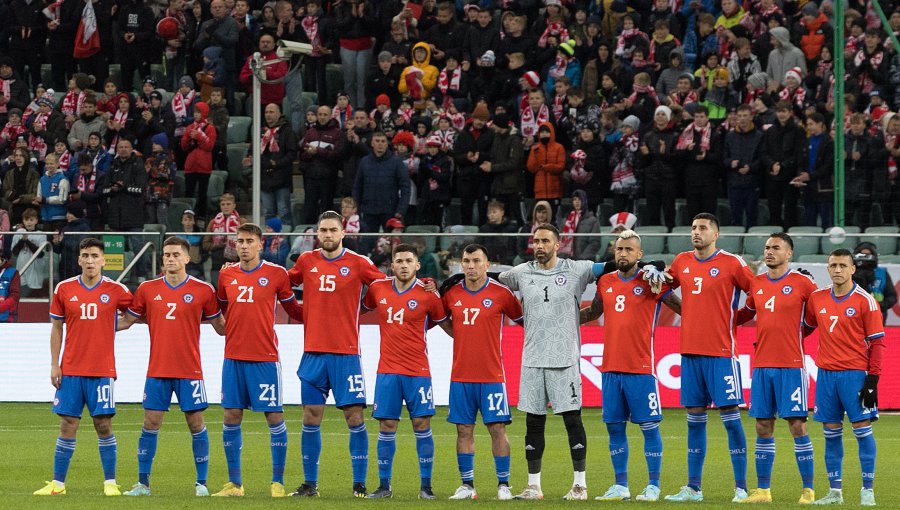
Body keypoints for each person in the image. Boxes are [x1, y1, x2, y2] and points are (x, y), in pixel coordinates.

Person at [484, 224, 640, 500]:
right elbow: (490, 276)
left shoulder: (576, 269)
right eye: (536, 241)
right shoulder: (521, 273)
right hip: (532, 360)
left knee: (572, 421)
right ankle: (534, 486)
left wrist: (650, 263)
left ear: (558, 244)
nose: (540, 245)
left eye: (545, 241)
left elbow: (614, 264)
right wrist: (453, 280)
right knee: (533, 423)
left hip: (564, 359)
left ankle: (579, 485)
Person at [117, 237, 226, 497]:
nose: (170, 259)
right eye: (166, 255)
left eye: (176, 255)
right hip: (157, 369)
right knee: (150, 422)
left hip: (190, 370)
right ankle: (143, 484)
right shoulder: (147, 289)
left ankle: (202, 483)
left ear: (187, 258)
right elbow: (126, 322)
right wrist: (93, 324)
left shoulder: (203, 290)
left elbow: (221, 328)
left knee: (196, 423)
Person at [287, 210, 385, 498]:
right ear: (317, 234)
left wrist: (363, 307)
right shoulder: (306, 261)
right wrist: (298, 312)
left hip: (346, 354)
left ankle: (358, 484)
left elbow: (382, 288)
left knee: (354, 418)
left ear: (343, 233)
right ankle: (309, 484)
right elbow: (283, 285)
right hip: (314, 353)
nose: (327, 235)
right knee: (310, 417)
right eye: (323, 230)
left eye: (332, 230)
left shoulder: (358, 262)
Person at [581, 230, 681, 502]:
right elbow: (593, 312)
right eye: (619, 249)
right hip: (611, 369)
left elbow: (682, 307)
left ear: (639, 254)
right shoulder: (605, 281)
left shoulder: (651, 281)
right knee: (614, 429)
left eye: (628, 249)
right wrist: (560, 319)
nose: (622, 253)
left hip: (641, 370)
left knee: (649, 428)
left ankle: (653, 486)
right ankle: (620, 486)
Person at [664, 213, 753, 503]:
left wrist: (737, 318)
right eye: (693, 228)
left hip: (721, 354)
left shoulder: (732, 263)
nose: (696, 232)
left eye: (702, 228)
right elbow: (663, 290)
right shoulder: (681, 261)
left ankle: (741, 487)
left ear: (716, 234)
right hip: (690, 352)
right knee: (694, 421)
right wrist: (684, 311)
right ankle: (693, 488)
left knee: (730, 420)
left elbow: (760, 293)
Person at [34, 238, 133, 497]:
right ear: (79, 260)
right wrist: (55, 365)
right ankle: (58, 485)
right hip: (71, 370)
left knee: (103, 424)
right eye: (85, 256)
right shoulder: (64, 289)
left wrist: (111, 325)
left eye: (95, 256)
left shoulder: (116, 290)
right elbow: (56, 329)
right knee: (67, 424)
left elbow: (135, 315)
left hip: (102, 370)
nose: (90, 261)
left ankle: (110, 482)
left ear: (103, 260)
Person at [213, 223, 304, 497]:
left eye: (249, 240)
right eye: (239, 240)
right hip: (233, 357)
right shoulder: (226, 275)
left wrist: (324, 315)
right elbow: (220, 310)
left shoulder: (276, 274)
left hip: (265, 357)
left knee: (274, 416)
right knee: (231, 415)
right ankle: (235, 484)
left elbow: (293, 310)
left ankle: (277, 483)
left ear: (260, 245)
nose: (243, 245)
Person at [734, 233, 818, 504]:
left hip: (791, 365)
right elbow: (745, 314)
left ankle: (807, 490)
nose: (769, 252)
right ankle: (763, 491)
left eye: (776, 248)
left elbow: (818, 316)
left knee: (797, 425)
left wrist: (797, 334)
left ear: (789, 254)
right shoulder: (756, 284)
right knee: (762, 425)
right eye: (767, 248)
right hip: (762, 365)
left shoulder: (803, 283)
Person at [362, 244, 448, 499]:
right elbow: (362, 306)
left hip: (418, 370)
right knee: (387, 426)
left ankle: (426, 487)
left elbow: (443, 322)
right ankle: (384, 486)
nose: (403, 265)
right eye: (398, 260)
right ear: (391, 265)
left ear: (417, 265)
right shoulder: (378, 288)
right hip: (387, 370)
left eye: (408, 260)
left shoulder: (429, 294)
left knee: (421, 423)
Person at [803, 249, 884, 506]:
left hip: (855, 376)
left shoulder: (865, 301)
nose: (837, 270)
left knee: (862, 430)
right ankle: (835, 492)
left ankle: (867, 490)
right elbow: (805, 327)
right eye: (832, 265)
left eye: (842, 265)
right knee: (831, 433)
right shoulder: (817, 298)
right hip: (826, 375)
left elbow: (878, 344)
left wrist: (872, 381)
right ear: (828, 269)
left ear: (852, 269)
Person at [353, 132, 411, 255]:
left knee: (392, 248)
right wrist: (356, 210)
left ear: (387, 144)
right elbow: (357, 187)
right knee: (366, 247)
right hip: (369, 212)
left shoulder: (396, 162)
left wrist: (401, 210)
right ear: (372, 143)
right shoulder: (364, 162)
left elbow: (406, 188)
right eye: (377, 141)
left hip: (390, 212)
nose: (380, 144)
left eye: (383, 141)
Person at [852, 242, 897, 324]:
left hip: (878, 315)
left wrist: (880, 306)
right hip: (853, 315)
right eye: (862, 255)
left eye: (868, 255)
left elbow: (892, 297)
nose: (865, 258)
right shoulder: (850, 273)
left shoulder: (882, 273)